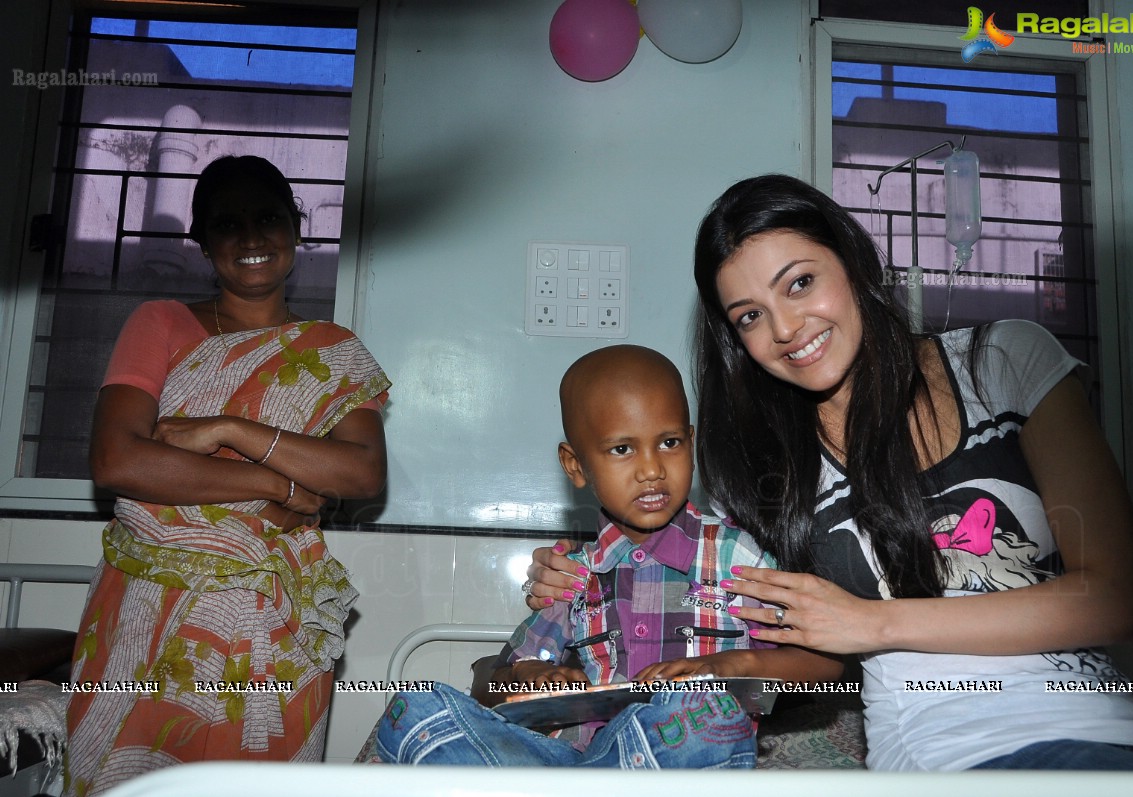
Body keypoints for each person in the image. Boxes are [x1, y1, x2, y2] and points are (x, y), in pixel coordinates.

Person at [524, 175, 1133, 771]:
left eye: (800, 282)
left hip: (1131, 733)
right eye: (750, 316)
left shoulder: (1005, 359)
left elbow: (1118, 599)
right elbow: (687, 575)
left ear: (849, 259)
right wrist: (569, 573)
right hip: (958, 745)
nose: (786, 328)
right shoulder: (769, 471)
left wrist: (869, 621)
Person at [65, 155, 391, 794]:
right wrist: (278, 483)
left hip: (275, 616)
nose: (250, 238)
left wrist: (230, 431)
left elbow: (360, 472)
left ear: (297, 227)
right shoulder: (160, 323)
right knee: (123, 777)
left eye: (267, 217)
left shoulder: (333, 352)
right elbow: (118, 460)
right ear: (203, 243)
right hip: (148, 607)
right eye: (227, 224)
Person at [375, 345, 839, 768]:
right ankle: (596, 776)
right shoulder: (572, 574)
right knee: (414, 709)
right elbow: (490, 684)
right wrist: (530, 676)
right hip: (569, 755)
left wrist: (732, 668)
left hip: (676, 755)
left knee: (698, 713)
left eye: (670, 442)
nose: (653, 469)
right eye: (622, 449)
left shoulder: (738, 557)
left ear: (692, 442)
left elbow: (825, 668)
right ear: (576, 465)